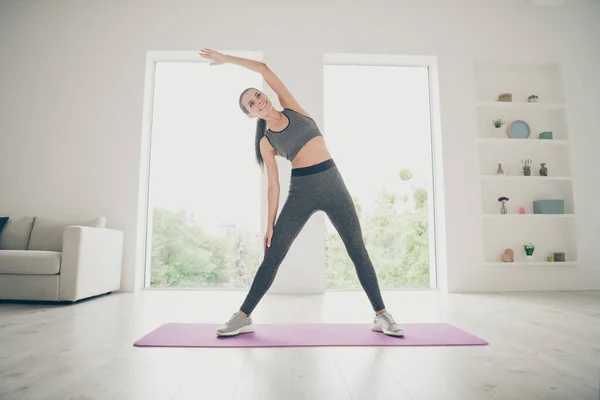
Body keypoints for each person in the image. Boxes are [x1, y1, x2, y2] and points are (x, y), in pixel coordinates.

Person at [199, 48, 404, 338]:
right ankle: (243, 316)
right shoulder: (266, 142)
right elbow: (274, 185)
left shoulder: (292, 107)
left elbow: (264, 68)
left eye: (257, 96)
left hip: (333, 184)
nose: (258, 101)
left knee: (357, 249)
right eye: (251, 104)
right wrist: (269, 224)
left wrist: (228, 59)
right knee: (274, 254)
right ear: (249, 115)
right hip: (302, 191)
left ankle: (381, 315)